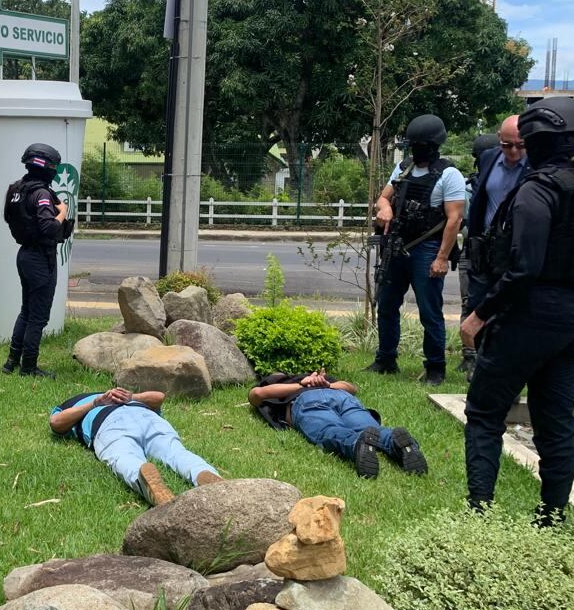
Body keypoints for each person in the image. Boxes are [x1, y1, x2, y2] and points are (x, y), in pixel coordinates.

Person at [460, 96, 574, 525]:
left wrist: (479, 315)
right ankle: (551, 518)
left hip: (530, 314)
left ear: (536, 140)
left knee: (485, 413)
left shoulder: (538, 190)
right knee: (555, 419)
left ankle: (479, 514)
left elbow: (523, 268)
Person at [368, 114, 466, 385]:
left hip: (428, 248)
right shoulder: (403, 169)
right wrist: (385, 208)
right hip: (397, 246)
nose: (417, 149)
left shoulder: (449, 174)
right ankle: (385, 359)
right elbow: (383, 198)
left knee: (429, 310)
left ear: (434, 145)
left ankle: (435, 367)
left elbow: (454, 219)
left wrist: (442, 258)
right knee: (387, 304)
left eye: (422, 144)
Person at [48, 388, 221, 506]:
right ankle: (204, 474)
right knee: (176, 453)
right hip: (138, 418)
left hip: (117, 422)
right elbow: (56, 423)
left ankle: (142, 475)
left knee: (123, 456)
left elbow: (159, 396)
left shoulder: (80, 404)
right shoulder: (89, 402)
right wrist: (99, 402)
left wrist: (127, 398)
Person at [246, 371, 428, 478]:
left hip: (313, 399)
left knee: (329, 430)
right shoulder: (308, 381)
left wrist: (314, 384)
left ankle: (357, 444)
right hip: (336, 397)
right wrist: (314, 384)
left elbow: (257, 394)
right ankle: (400, 443)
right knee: (372, 430)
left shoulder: (288, 381)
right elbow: (351, 388)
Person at [460, 119, 529, 373]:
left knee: (508, 316)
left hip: (514, 253)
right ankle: (479, 367)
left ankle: (504, 372)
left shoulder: (536, 166)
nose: (513, 152)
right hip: (484, 252)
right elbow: (479, 203)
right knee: (476, 308)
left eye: (520, 145)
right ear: (499, 138)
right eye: (506, 144)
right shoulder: (489, 158)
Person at [1, 144, 73, 378]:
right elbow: (49, 227)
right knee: (38, 316)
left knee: (26, 310)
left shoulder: (16, 188)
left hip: (25, 255)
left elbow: (8, 217)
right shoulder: (41, 193)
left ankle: (11, 362)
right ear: (46, 167)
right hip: (40, 259)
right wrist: (63, 210)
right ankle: (29, 367)